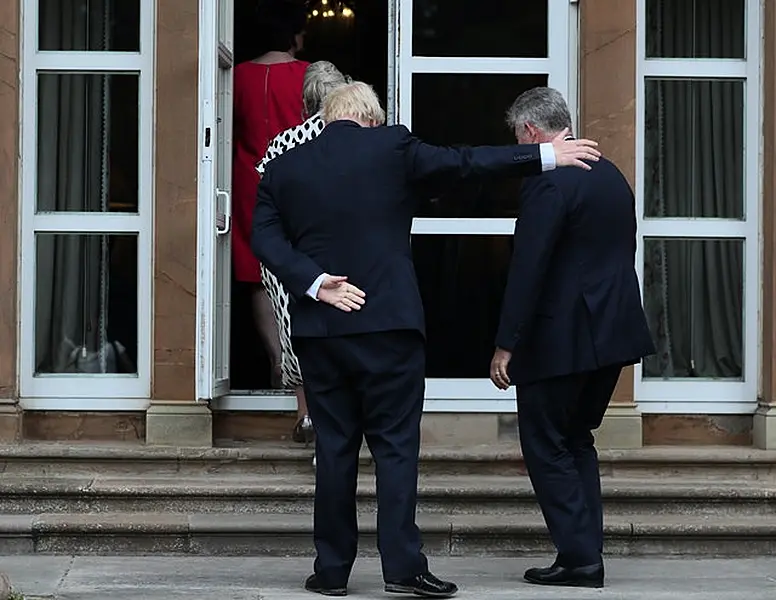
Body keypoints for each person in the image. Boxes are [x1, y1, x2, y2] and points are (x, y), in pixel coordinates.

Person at [252, 81, 601, 598]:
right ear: (371, 117)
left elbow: (263, 237)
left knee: (335, 449)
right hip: (389, 326)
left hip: (320, 328)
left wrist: (317, 282)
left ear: (326, 119)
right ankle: (403, 567)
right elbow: (466, 163)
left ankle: (330, 572)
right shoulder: (392, 146)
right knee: (395, 449)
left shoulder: (284, 165)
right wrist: (545, 155)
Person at [489, 87, 656, 589]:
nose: (520, 144)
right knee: (577, 439)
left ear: (533, 132)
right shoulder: (610, 174)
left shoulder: (550, 182)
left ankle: (580, 558)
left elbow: (529, 267)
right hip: (612, 332)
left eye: (519, 135)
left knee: (545, 444)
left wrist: (506, 342)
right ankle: (584, 550)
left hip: (560, 339)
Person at [256, 61, 350, 449]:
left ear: (304, 103)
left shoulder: (282, 143)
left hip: (290, 257)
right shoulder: (353, 140)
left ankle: (306, 413)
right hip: (341, 251)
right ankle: (336, 420)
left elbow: (266, 206)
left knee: (296, 333)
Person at [232, 0, 309, 389]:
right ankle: (301, 365)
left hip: (249, 181)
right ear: (294, 36)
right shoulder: (308, 75)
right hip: (297, 182)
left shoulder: (238, 75)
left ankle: (278, 360)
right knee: (304, 270)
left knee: (258, 275)